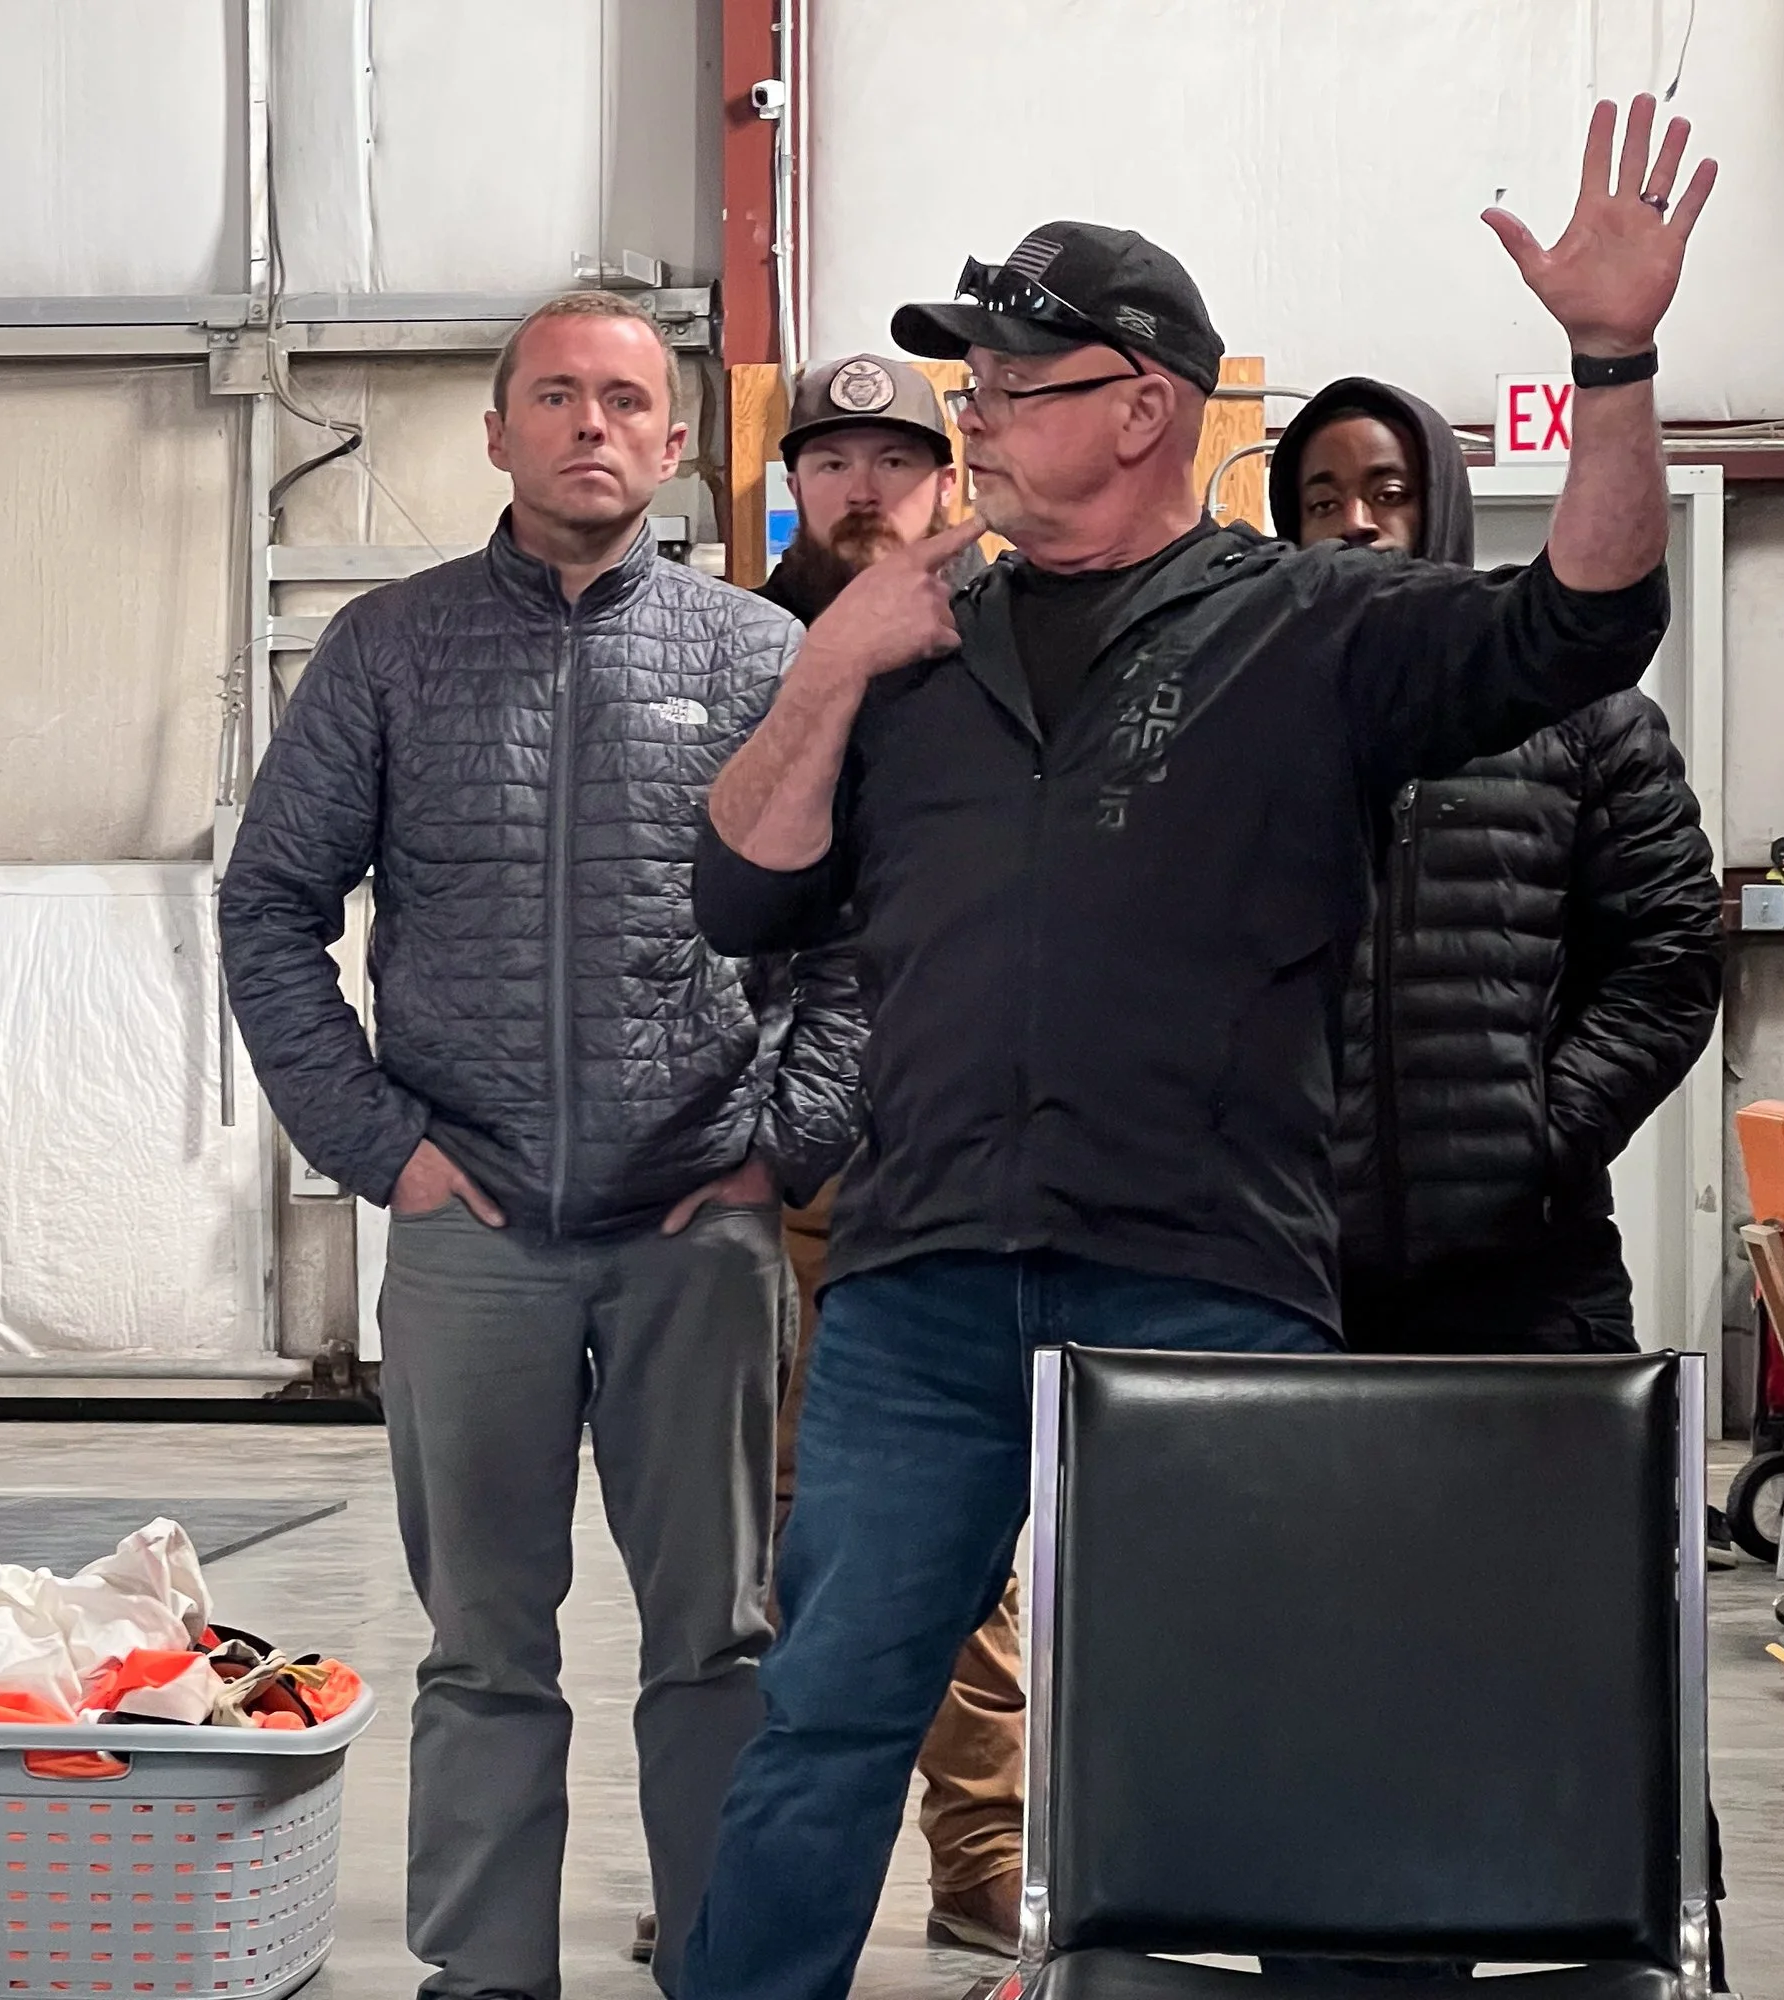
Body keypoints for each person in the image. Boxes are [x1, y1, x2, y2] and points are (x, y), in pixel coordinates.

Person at [680, 97, 1716, 2000]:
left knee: (1275, 1735)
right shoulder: (912, 647)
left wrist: (1612, 365)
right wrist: (825, 661)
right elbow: (741, 893)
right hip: (919, 1282)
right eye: (973, 382)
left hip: (1198, 1280)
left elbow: (1585, 624)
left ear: (1145, 405)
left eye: (1018, 381)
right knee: (823, 1720)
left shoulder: (1308, 626)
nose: (978, 414)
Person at [217, 289, 861, 2000]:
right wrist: (383, 1148)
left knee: (716, 1645)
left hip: (696, 1237)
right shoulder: (391, 650)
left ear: (675, 444)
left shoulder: (756, 660)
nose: (593, 425)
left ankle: (726, 1964)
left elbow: (853, 942)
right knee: (486, 1652)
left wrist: (781, 1145)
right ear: (497, 433)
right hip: (472, 1235)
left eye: (626, 401)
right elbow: (271, 907)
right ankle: (485, 1975)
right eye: (558, 396)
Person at [1268, 377, 1721, 1360]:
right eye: (1321, 499)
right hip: (1293, 1276)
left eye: (1388, 491)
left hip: (1531, 1275)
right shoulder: (1245, 725)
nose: (1355, 521)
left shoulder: (1585, 714)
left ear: (1441, 505)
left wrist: (1545, 1138)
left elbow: (1671, 952)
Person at [760, 354, 1026, 1958]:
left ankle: (983, 1847)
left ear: (948, 479)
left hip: (954, 1152)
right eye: (832, 458)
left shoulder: (1001, 644)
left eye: (894, 458)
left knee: (960, 1524)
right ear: (792, 482)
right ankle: (756, 1859)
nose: (864, 487)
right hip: (771, 1162)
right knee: (777, 1526)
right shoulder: (739, 648)